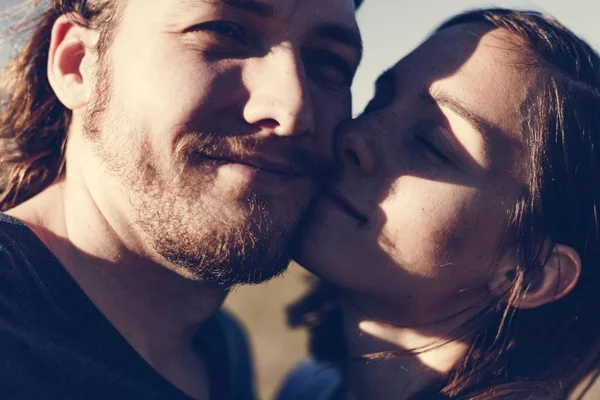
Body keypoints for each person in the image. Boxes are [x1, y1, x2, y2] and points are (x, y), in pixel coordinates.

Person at [0, 0, 363, 399]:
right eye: (225, 33)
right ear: (78, 63)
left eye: (329, 63)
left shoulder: (221, 348)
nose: (292, 109)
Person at [279, 8, 600, 400]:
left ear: (529, 274)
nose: (355, 135)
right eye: (378, 102)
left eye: (432, 145)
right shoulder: (306, 387)